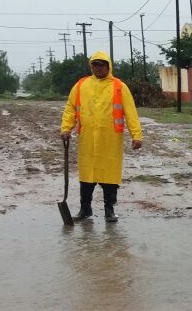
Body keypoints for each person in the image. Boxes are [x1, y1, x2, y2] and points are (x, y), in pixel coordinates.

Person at [60, 52, 143, 223]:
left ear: (108, 66)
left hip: (110, 139)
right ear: (91, 66)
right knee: (86, 176)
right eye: (95, 64)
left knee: (110, 176)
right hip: (87, 139)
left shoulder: (119, 86)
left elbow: (131, 113)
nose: (98, 67)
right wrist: (66, 128)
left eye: (102, 64)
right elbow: (70, 108)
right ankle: (85, 209)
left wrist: (137, 135)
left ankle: (109, 210)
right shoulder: (81, 85)